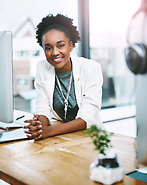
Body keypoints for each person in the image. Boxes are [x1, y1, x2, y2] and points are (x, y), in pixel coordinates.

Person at [24, 13, 103, 141]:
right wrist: (39, 125)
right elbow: (43, 110)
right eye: (48, 48)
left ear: (71, 45)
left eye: (60, 45)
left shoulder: (91, 68)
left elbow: (86, 118)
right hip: (62, 138)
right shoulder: (42, 68)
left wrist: (49, 131)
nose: (55, 52)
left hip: (90, 137)